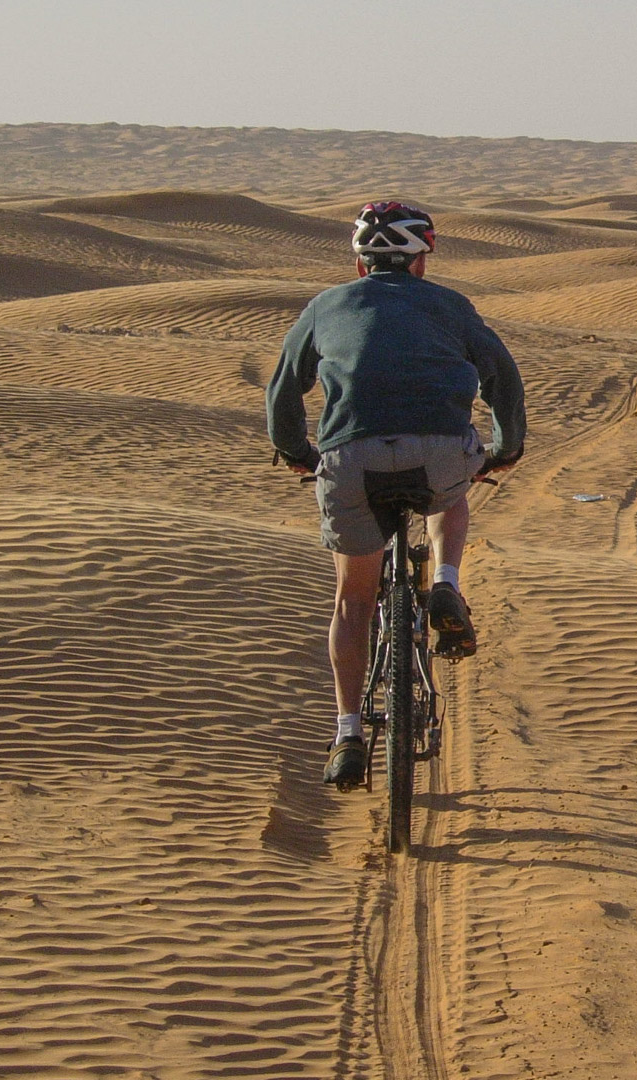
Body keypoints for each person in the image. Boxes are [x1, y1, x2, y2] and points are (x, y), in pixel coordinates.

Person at [267, 201, 526, 787]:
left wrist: (297, 452)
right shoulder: (452, 307)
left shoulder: (326, 305)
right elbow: (501, 378)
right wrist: (505, 449)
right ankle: (444, 583)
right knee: (451, 493)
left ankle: (348, 732)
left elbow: (284, 390)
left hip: (350, 456)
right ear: (420, 262)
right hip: (438, 452)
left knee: (353, 599)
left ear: (361, 265)